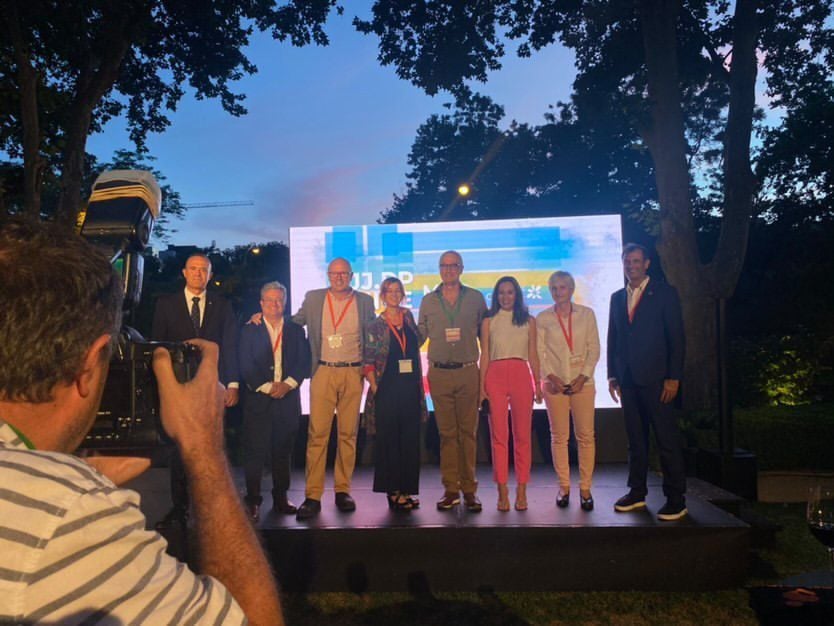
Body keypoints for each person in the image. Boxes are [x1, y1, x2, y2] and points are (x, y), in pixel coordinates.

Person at [0, 218, 283, 625]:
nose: (199, 274)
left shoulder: (222, 307)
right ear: (89, 364)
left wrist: (83, 476)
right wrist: (205, 450)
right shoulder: (67, 516)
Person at [151, 252, 240, 529]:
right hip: (178, 388)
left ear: (210, 275)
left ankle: (211, 510)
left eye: (204, 269)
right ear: (184, 272)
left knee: (212, 448)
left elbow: (230, 345)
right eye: (194, 268)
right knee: (179, 450)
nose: (198, 273)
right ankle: (180, 509)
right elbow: (158, 347)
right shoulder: (166, 304)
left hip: (213, 388)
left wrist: (233, 383)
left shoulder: (222, 306)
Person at [607, 243, 687, 521]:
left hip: (658, 380)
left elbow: (676, 338)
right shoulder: (617, 297)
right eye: (627, 261)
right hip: (628, 379)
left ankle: (676, 499)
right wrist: (612, 374)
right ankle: (637, 492)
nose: (631, 266)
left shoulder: (664, 293)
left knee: (666, 440)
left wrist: (674, 377)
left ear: (647, 263)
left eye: (636, 261)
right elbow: (614, 338)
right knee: (635, 441)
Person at [291, 257, 375, 519]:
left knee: (348, 434)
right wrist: (265, 318)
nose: (339, 277)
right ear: (328, 275)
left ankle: (342, 490)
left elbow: (373, 335)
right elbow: (294, 323)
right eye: (334, 273)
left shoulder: (365, 301)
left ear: (351, 276)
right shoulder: (314, 298)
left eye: (344, 273)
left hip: (353, 372)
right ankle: (313, 495)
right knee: (318, 435)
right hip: (323, 371)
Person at [418, 250, 488, 512]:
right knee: (446, 434)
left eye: (453, 265)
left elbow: (486, 338)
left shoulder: (476, 298)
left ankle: (469, 490)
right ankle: (450, 489)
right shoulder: (428, 301)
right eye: (443, 266)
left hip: (468, 372)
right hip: (439, 374)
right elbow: (418, 337)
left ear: (461, 268)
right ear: (439, 269)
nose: (448, 270)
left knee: (468, 433)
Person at [238, 281, 311, 521]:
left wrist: (287, 385)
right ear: (261, 303)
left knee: (283, 451)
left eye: (279, 300)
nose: (274, 304)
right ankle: (253, 500)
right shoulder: (250, 329)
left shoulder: (296, 330)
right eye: (269, 300)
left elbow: (303, 361)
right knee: (255, 452)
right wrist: (269, 387)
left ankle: (281, 497)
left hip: (288, 399)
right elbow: (245, 363)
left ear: (285, 302)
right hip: (258, 399)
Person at [537, 271, 600, 511]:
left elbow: (594, 349)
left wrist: (583, 377)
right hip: (554, 384)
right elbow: (539, 352)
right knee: (559, 437)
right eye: (553, 288)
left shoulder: (587, 314)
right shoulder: (543, 318)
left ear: (571, 290)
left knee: (585, 436)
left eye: (562, 287)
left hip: (583, 383)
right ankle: (563, 487)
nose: (557, 292)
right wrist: (551, 378)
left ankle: (585, 488)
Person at [364, 277, 427, 510]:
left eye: (397, 290)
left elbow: (417, 342)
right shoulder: (375, 325)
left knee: (409, 442)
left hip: (410, 389)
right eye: (389, 291)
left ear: (402, 294)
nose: (394, 294)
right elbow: (368, 361)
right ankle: (393, 492)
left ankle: (407, 490)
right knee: (390, 442)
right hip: (387, 390)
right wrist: (376, 388)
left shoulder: (408, 317)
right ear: (382, 295)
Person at [479, 276, 541, 512]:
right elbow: (485, 355)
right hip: (494, 375)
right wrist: (481, 387)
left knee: (523, 436)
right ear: (496, 296)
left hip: (521, 375)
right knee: (499, 437)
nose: (506, 297)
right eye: (501, 293)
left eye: (510, 292)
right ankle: (502, 490)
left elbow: (533, 354)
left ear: (517, 295)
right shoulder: (488, 321)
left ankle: (522, 489)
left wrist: (538, 383)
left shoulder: (529, 321)